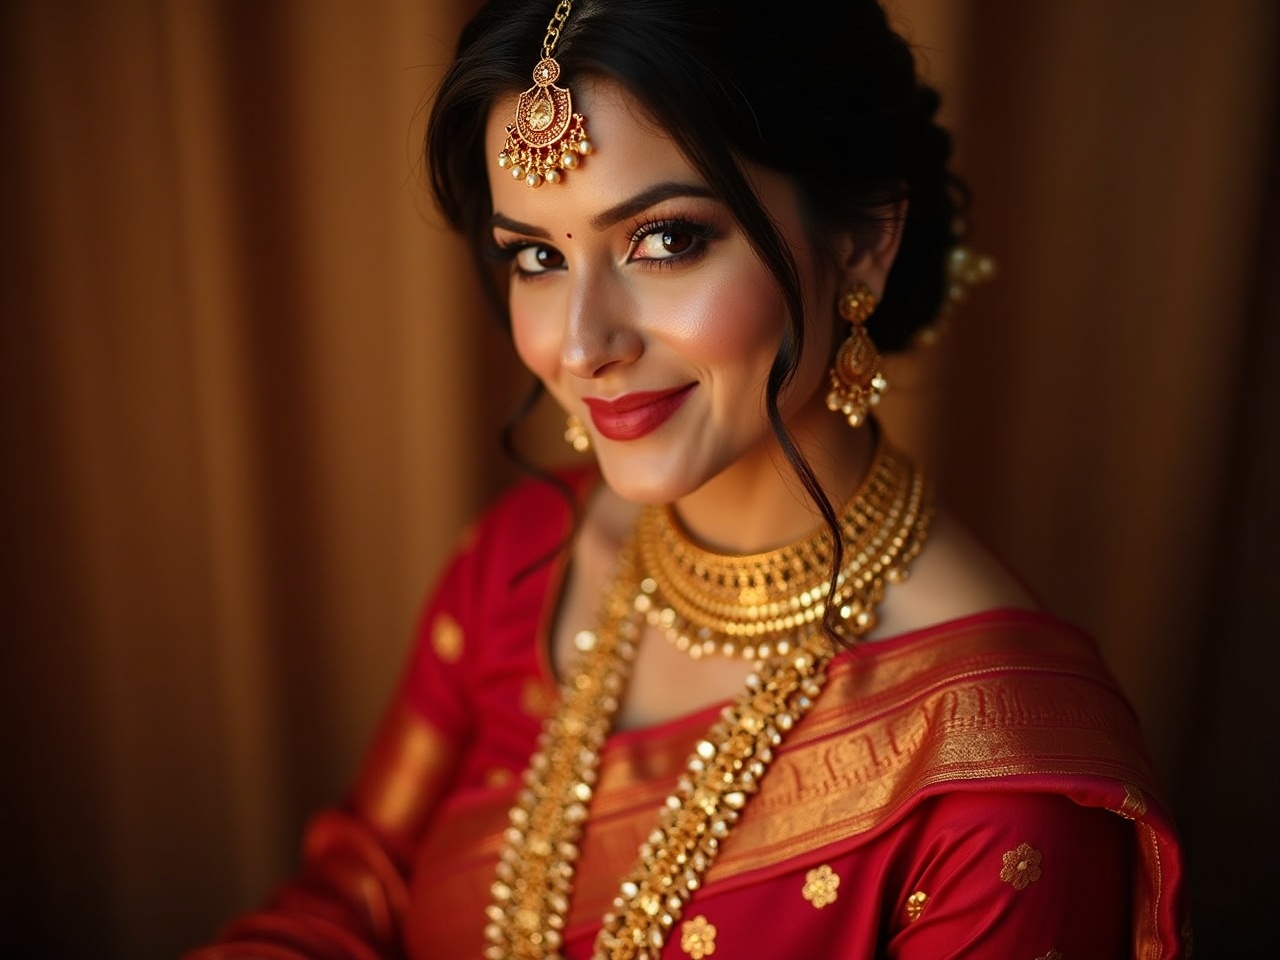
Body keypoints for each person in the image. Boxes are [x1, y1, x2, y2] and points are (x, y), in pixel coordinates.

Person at [187, 1, 1188, 957]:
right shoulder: (520, 570)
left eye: (664, 240)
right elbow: (355, 896)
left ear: (863, 244)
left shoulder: (993, 791)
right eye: (535, 255)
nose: (580, 345)